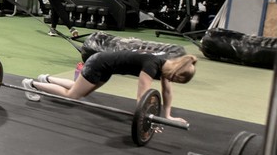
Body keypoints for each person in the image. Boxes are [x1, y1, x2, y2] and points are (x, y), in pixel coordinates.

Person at [23, 51, 198, 124]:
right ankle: (32, 85)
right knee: (73, 95)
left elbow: (167, 91)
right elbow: (142, 95)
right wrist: (145, 117)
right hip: (99, 64)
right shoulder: (152, 66)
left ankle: (46, 78)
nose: (173, 82)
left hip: (106, 67)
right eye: (177, 80)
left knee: (80, 89)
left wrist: (168, 116)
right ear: (176, 73)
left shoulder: (166, 67)